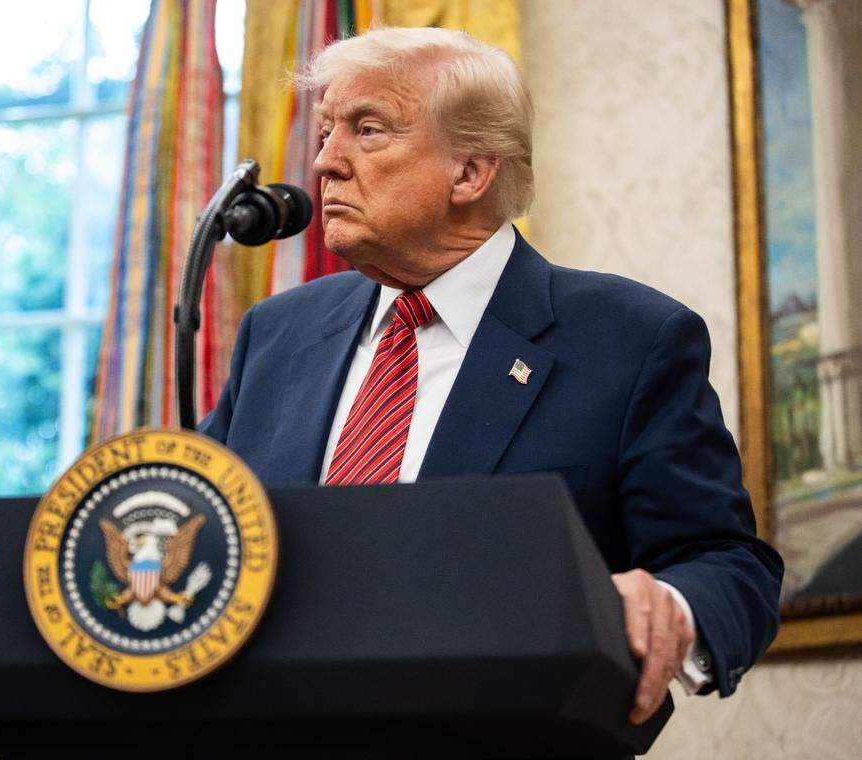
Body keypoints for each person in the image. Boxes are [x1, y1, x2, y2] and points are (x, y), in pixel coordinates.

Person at [199, 26, 783, 727]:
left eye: (367, 129)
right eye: (327, 132)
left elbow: (728, 565)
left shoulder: (631, 340)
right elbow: (200, 526)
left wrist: (671, 610)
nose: (325, 162)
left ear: (470, 173)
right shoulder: (277, 335)